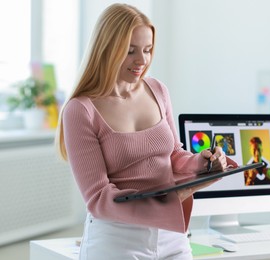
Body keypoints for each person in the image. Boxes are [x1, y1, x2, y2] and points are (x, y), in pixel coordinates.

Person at [55, 3, 236, 259]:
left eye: (148, 50)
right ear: (106, 49)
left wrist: (200, 163)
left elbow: (173, 154)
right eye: (130, 51)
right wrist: (176, 196)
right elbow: (98, 198)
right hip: (117, 239)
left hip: (172, 236)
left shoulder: (157, 90)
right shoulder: (80, 110)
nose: (142, 60)